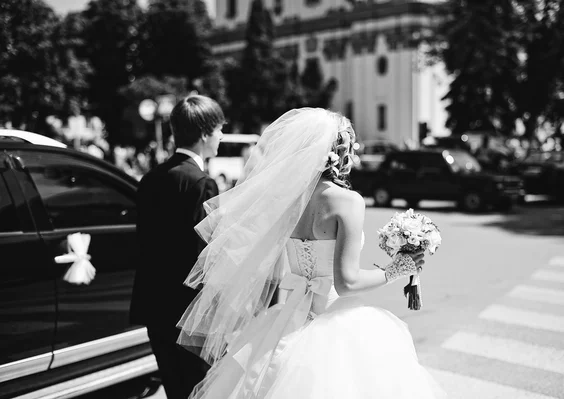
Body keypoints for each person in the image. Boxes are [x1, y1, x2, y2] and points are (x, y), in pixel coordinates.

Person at [177, 108, 445, 399]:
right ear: (339, 154)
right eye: (350, 149)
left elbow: (271, 267)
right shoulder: (348, 201)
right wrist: (397, 268)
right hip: (331, 319)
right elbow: (347, 283)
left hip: (285, 319)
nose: (352, 158)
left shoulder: (286, 199)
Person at [130, 95, 225, 399]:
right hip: (188, 313)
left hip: (154, 306)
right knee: (198, 389)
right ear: (205, 133)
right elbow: (203, 255)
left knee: (174, 389)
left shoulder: (150, 178)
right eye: (220, 129)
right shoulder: (201, 183)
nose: (222, 135)